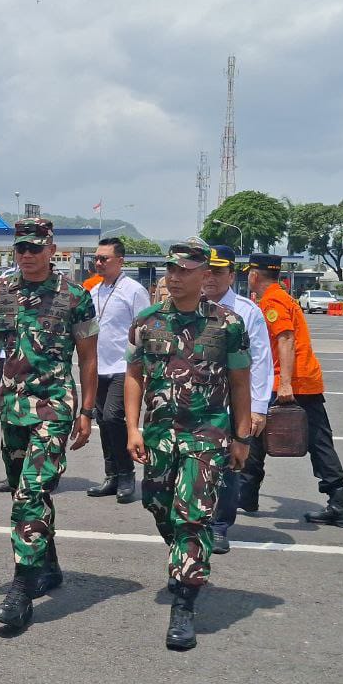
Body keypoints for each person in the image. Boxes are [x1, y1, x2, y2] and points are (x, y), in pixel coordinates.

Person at [0, 217, 98, 631]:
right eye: (21, 248)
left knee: (30, 492)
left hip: (54, 407)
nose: (28, 254)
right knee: (26, 490)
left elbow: (88, 357)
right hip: (13, 408)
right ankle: (47, 565)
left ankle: (21, 589)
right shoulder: (2, 290)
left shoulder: (75, 296)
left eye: (35, 247)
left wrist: (87, 411)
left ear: (52, 249)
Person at [125, 240, 252, 651]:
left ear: (205, 276)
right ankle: (184, 553)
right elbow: (134, 376)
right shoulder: (147, 321)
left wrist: (242, 436)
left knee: (192, 515)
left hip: (207, 434)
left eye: (184, 271)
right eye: (171, 270)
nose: (175, 277)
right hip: (159, 435)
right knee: (157, 504)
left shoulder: (228, 324)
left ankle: (184, 602)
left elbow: (240, 383)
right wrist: (132, 429)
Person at [239, 253, 343, 528]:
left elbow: (286, 338)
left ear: (254, 275)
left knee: (310, 441)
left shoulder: (272, 301)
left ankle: (338, 503)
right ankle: (246, 494)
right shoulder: (283, 297)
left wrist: (286, 383)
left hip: (292, 383)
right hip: (297, 380)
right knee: (258, 436)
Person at [203, 245, 273, 554]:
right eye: (206, 271)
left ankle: (219, 525)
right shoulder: (187, 306)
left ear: (231, 276)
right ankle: (194, 520)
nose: (210, 277)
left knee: (230, 465)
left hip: (233, 404)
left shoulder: (247, 312)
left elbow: (261, 361)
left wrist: (258, 408)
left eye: (218, 272)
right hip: (195, 401)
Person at [86, 236, 150, 503]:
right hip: (98, 367)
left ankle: (126, 474)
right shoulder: (94, 291)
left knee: (114, 417)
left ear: (120, 261)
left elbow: (146, 328)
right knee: (103, 420)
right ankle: (111, 475)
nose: (98, 263)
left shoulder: (134, 290)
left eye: (104, 258)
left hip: (124, 367)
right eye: (96, 258)